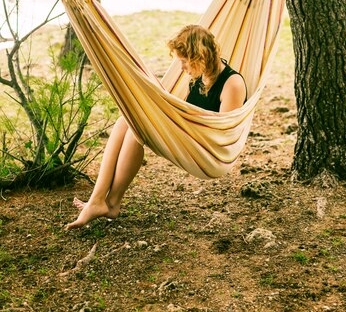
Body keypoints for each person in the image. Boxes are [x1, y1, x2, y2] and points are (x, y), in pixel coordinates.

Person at [66, 25, 247, 229]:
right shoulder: (197, 78)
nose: (182, 68)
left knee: (135, 129)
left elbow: (224, 135)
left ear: (200, 57)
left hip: (210, 153)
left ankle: (105, 202)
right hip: (190, 140)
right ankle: (103, 202)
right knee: (126, 120)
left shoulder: (232, 84)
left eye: (184, 61)